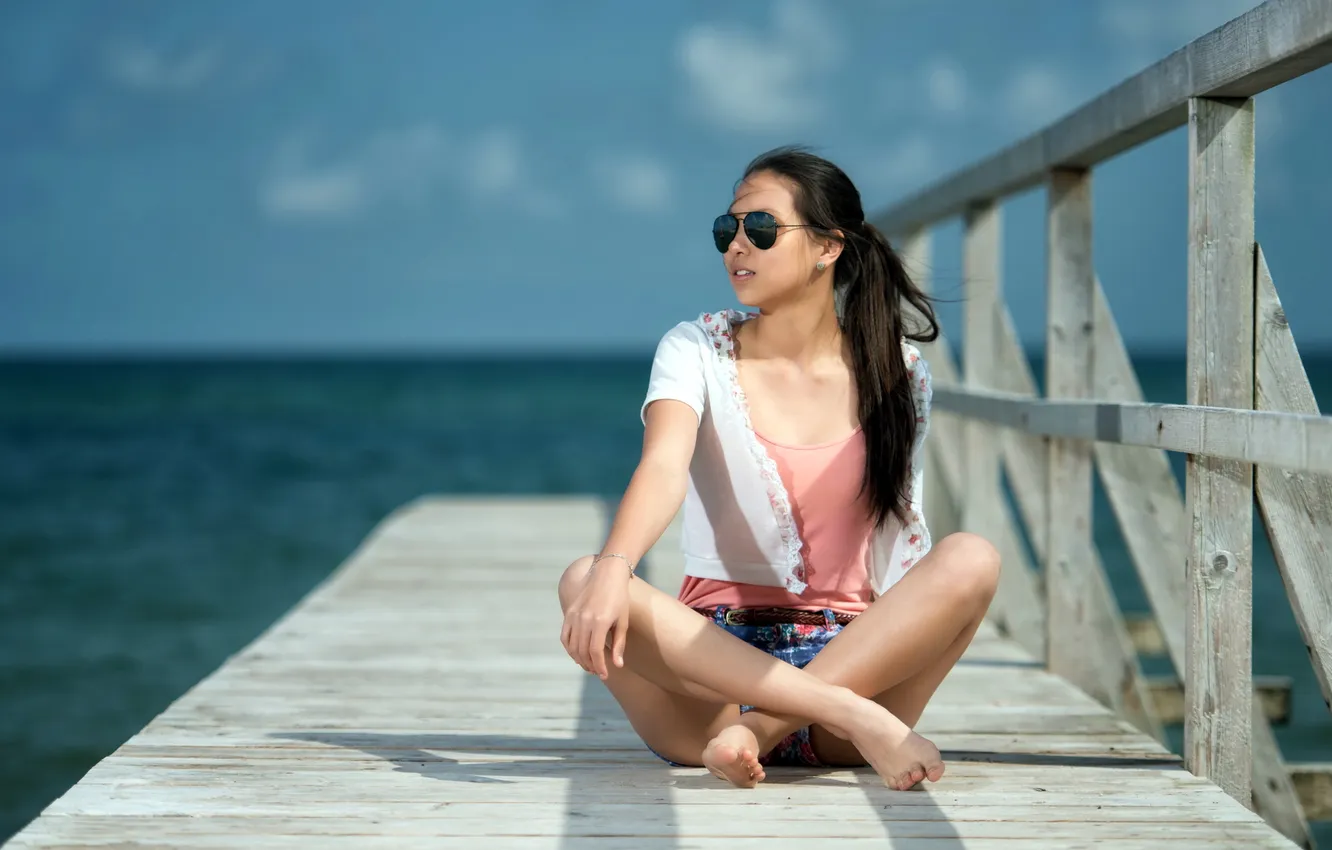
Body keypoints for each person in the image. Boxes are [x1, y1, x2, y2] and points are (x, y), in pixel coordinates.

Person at [557, 146, 1000, 790]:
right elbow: (662, 467)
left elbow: (905, 549)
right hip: (711, 686)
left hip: (856, 660)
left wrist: (803, 702)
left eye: (761, 229)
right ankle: (841, 714)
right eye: (726, 229)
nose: (738, 245)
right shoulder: (696, 348)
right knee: (582, 578)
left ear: (828, 247)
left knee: (973, 557)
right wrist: (612, 568)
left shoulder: (896, 371)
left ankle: (765, 728)